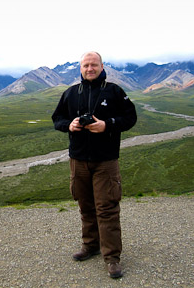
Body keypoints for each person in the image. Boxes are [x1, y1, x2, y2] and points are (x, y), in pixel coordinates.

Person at [51, 51, 137, 279]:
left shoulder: (114, 91)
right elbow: (56, 119)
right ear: (80, 68)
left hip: (106, 161)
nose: (90, 69)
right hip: (78, 161)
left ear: (101, 66)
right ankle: (90, 246)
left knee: (107, 208)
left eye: (94, 65)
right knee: (85, 206)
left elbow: (130, 118)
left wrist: (107, 124)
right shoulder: (70, 93)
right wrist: (69, 125)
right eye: (86, 65)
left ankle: (112, 258)